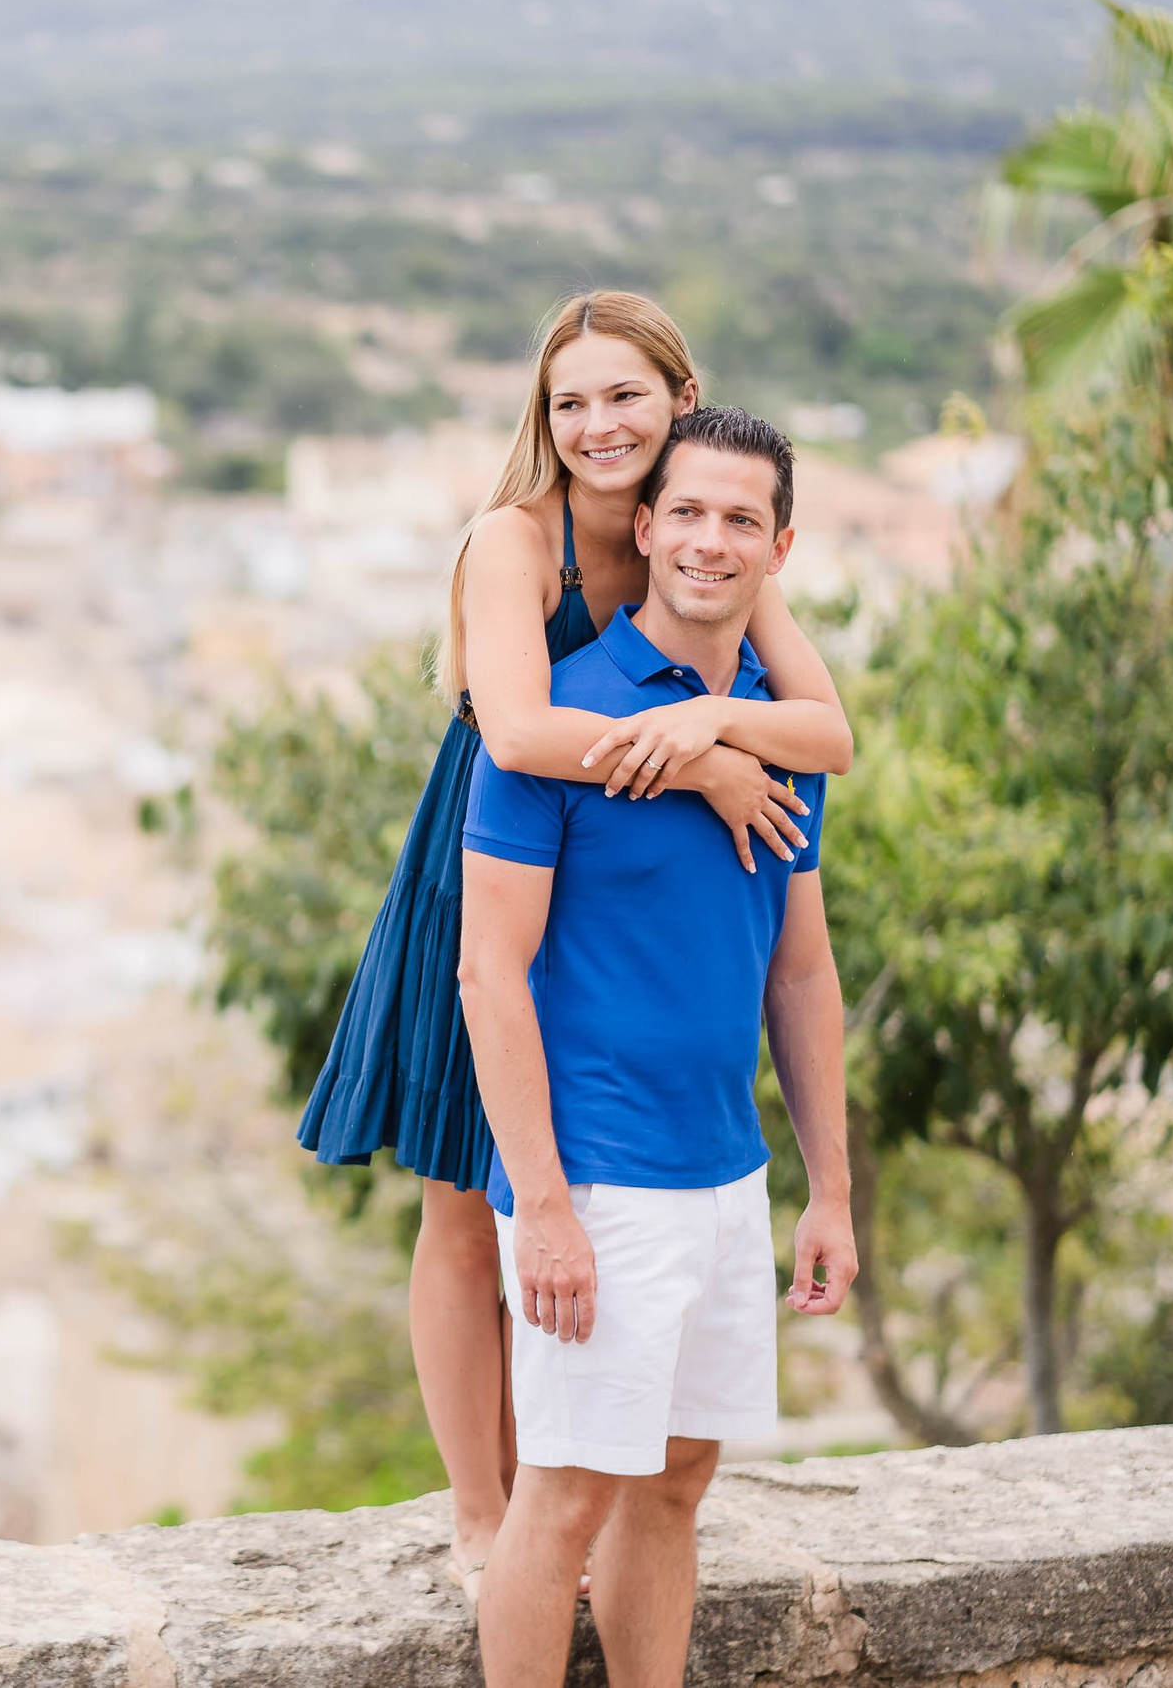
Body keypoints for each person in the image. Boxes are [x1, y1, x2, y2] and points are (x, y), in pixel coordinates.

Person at [295, 292, 853, 1603]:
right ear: (543, 423)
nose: (597, 424)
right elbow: (518, 729)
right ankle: (481, 1507)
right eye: (570, 402)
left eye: (624, 397)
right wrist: (715, 761)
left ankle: (558, 1489)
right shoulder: (516, 538)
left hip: (615, 891)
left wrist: (720, 713)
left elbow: (827, 731)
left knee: (559, 1183)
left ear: (675, 400)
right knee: (460, 1185)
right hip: (489, 854)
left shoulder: (700, 528)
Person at [456, 405, 858, 1688]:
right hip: (598, 1180)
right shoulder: (556, 729)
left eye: (742, 519)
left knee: (676, 1489)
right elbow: (488, 974)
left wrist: (828, 1191)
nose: (709, 540)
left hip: (725, 1177)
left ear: (777, 546)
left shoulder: (776, 732)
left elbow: (799, 969)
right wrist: (545, 1207)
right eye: (686, 512)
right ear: (645, 526)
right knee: (563, 1502)